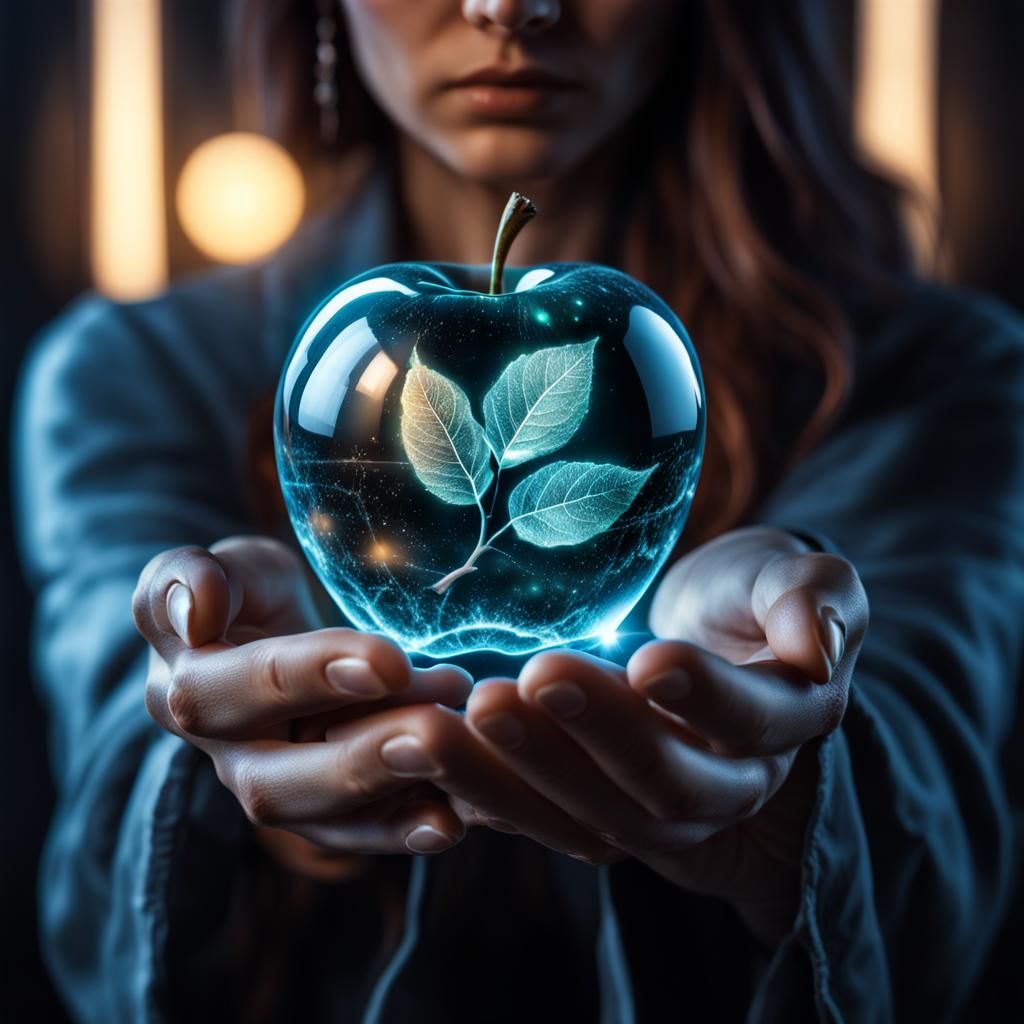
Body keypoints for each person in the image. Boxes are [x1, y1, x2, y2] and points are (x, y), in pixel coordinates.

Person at [11, 0, 1024, 1021]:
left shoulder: (938, 379)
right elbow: (101, 817)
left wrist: (800, 784)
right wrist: (226, 763)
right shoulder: (132, 374)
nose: (510, 8)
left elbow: (938, 814)